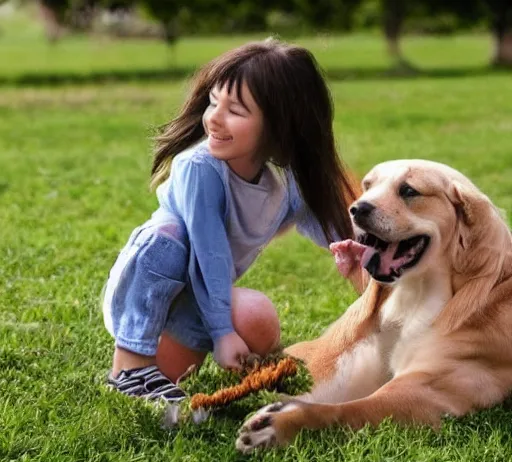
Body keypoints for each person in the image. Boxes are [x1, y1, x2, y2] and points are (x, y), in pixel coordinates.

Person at [103, 38, 361, 401]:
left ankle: (165, 371)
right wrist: (223, 332)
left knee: (257, 317)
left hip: (198, 301)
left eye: (235, 111)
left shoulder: (283, 181)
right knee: (167, 237)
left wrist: (368, 260)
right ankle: (130, 367)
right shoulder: (199, 168)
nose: (213, 118)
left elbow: (340, 233)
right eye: (213, 102)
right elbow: (209, 254)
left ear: (279, 126)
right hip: (151, 291)